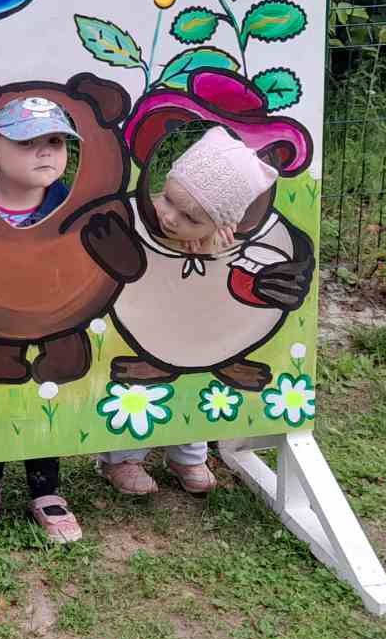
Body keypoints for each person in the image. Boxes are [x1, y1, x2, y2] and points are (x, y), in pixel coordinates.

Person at [98, 125, 280, 496]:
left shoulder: (221, 237)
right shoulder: (145, 214)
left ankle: (188, 454)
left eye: (192, 219)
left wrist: (215, 250)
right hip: (143, 324)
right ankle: (123, 458)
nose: (170, 217)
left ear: (223, 223)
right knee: (139, 385)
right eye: (168, 199)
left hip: (193, 328)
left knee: (197, 373)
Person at [0, 95, 83, 542]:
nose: (46, 151)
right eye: (28, 142)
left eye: (56, 141)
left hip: (46, 317)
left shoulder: (69, 204)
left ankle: (46, 491)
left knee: (41, 396)